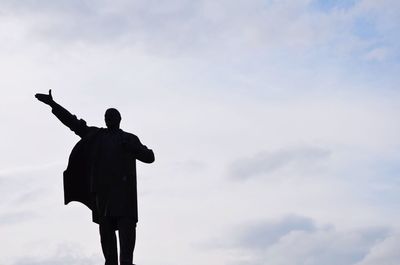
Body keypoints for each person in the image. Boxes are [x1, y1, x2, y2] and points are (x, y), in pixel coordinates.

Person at [35, 90, 155, 265]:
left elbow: (150, 157)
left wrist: (132, 148)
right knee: (106, 232)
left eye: (112, 116)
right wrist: (53, 105)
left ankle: (127, 262)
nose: (109, 119)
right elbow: (73, 123)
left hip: (124, 194)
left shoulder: (129, 139)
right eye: (107, 116)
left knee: (126, 229)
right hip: (103, 194)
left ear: (119, 119)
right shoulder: (97, 136)